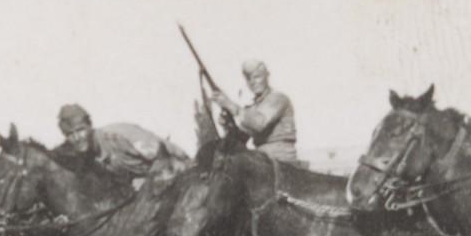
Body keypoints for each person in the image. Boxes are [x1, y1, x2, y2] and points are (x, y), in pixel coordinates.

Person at [55, 103, 189, 183]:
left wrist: (146, 182)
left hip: (181, 170)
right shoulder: (90, 158)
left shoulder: (116, 136)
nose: (77, 138)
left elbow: (163, 156)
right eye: (70, 134)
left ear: (90, 126)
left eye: (80, 130)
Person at [211, 60, 298, 163]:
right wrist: (228, 124)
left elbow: (259, 123)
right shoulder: (252, 109)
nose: (252, 82)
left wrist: (231, 106)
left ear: (266, 76)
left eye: (257, 77)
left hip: (282, 157)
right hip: (261, 158)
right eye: (248, 79)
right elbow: (240, 139)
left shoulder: (278, 98)